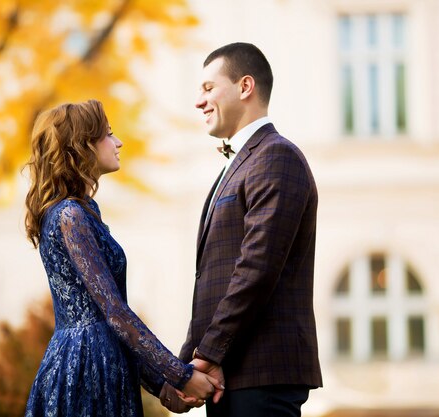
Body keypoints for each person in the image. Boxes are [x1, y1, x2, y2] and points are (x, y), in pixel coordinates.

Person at [23, 100, 223, 417]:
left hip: (100, 361)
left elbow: (113, 323)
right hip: (86, 371)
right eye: (108, 135)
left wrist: (162, 387)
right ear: (82, 146)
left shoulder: (83, 212)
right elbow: (115, 313)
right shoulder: (70, 215)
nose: (118, 142)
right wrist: (181, 376)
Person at [160, 43, 323, 416]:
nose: (199, 102)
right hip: (229, 376)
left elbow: (256, 269)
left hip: (261, 375)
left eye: (207, 88)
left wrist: (208, 355)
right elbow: (213, 283)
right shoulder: (240, 165)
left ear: (245, 86)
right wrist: (186, 369)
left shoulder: (276, 157)